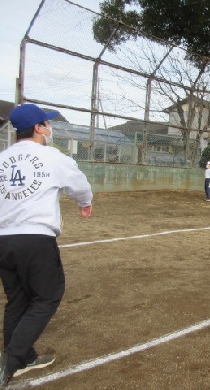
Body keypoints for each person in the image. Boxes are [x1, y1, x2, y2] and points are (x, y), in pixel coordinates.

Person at [0, 104, 93, 388]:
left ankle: (23, 357)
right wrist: (84, 201)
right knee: (47, 296)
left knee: (18, 298)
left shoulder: (3, 157)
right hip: (35, 237)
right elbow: (78, 184)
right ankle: (10, 362)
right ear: (39, 128)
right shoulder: (51, 156)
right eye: (46, 123)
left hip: (3, 238)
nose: (50, 128)